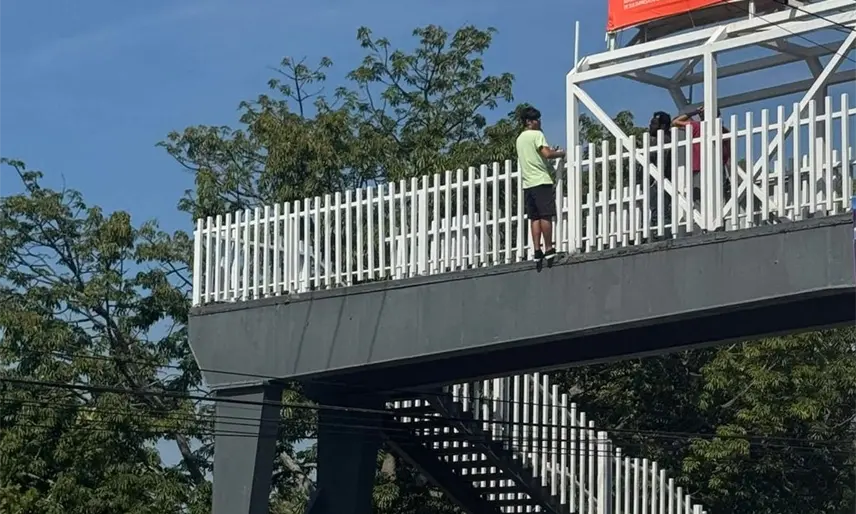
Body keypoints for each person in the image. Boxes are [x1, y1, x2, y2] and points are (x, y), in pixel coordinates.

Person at [516, 106, 565, 265]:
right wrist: (561, 153)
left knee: (534, 218)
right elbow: (547, 154)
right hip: (541, 180)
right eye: (536, 119)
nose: (539, 122)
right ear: (529, 122)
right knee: (545, 215)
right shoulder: (537, 135)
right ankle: (549, 248)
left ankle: (537, 250)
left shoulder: (519, 139)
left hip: (527, 183)